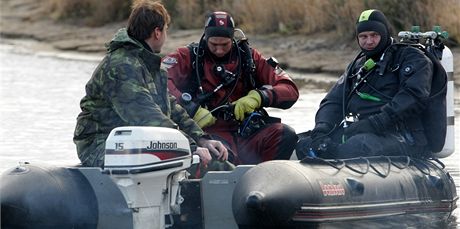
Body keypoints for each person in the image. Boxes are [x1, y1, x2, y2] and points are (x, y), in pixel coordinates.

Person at [73, 0, 228, 168]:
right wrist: (190, 146)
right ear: (157, 32)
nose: (166, 35)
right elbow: (146, 116)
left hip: (135, 140)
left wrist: (202, 139)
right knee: (171, 157)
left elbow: (172, 108)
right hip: (102, 144)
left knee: (214, 164)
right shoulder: (121, 67)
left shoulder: (151, 66)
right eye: (166, 30)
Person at [163, 11, 299, 165]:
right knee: (220, 154)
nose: (219, 50)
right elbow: (157, 81)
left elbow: (290, 89)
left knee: (285, 134)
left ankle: (266, 179)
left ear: (233, 38)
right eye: (214, 44)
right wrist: (190, 108)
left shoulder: (249, 58)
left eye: (224, 45)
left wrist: (259, 97)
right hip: (210, 134)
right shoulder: (187, 56)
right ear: (205, 38)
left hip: (246, 134)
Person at [296, 9, 435, 159]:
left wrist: (376, 123)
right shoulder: (358, 66)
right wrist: (322, 129)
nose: (369, 41)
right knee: (304, 144)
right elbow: (334, 101)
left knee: (356, 147)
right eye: (363, 36)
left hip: (402, 135)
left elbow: (413, 96)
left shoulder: (411, 58)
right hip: (360, 131)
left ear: (385, 33)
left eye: (374, 35)